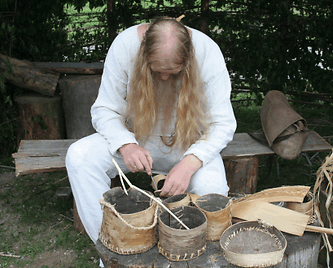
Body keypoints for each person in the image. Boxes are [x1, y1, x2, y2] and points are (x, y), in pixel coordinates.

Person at [65, 16, 237, 245]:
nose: (165, 77)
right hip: (137, 139)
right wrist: (126, 145)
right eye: (157, 70)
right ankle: (110, 249)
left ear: (188, 58)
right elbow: (104, 109)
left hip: (189, 146)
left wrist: (189, 164)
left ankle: (193, 255)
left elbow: (223, 123)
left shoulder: (207, 52)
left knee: (212, 192)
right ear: (143, 53)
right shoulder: (125, 45)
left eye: (173, 72)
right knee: (79, 157)